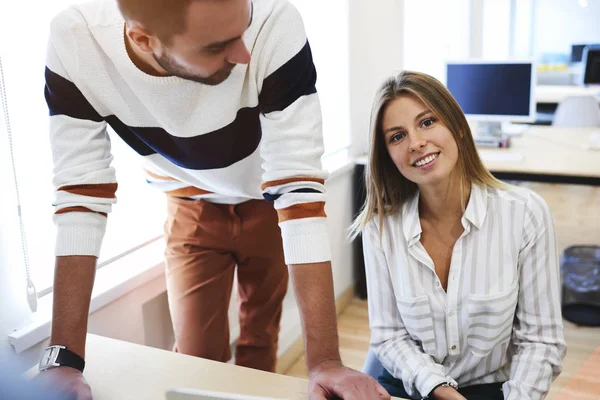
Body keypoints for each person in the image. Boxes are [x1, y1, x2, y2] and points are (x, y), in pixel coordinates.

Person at [40, 0, 389, 399]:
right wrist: (63, 360)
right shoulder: (77, 42)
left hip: (269, 205)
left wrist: (326, 361)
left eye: (243, 28)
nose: (244, 53)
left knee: (261, 338)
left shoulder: (274, 23)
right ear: (143, 39)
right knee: (195, 357)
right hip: (189, 209)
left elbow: (298, 188)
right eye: (216, 45)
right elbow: (80, 196)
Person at [350, 71, 566, 400]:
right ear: (388, 156)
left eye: (427, 122)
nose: (416, 142)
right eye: (397, 136)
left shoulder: (525, 214)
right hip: (414, 383)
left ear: (459, 127)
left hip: (495, 388)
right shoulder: (380, 229)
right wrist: (438, 389)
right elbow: (389, 336)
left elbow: (541, 341)